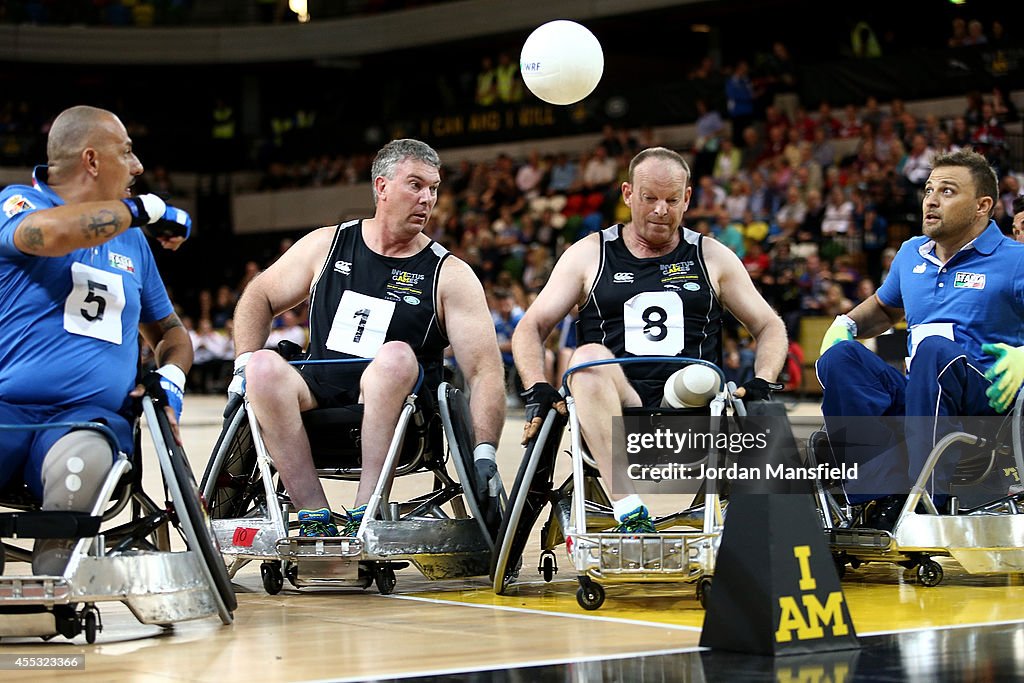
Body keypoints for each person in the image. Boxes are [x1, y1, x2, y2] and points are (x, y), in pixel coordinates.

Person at [231, 139, 505, 538]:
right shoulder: (327, 245)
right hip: (318, 398)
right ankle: (313, 513)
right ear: (381, 187)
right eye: (415, 185)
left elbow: (483, 370)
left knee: (394, 356)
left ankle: (367, 509)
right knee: (262, 366)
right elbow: (259, 295)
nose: (427, 199)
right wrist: (242, 364)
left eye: (433, 188)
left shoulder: (450, 274)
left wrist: (484, 452)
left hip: (403, 411)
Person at [511, 147, 788, 533]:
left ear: (687, 198)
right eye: (649, 198)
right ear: (627, 194)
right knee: (586, 357)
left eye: (672, 200)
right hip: (618, 406)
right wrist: (537, 386)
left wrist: (762, 381)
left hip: (692, 413)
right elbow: (532, 325)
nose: (661, 210)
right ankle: (630, 511)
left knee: (700, 377)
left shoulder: (712, 256)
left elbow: (769, 325)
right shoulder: (590, 253)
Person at [0, 105, 192, 574]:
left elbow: (171, 333)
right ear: (91, 161)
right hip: (7, 410)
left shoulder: (133, 243)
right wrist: (146, 209)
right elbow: (49, 235)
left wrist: (170, 377)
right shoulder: (19, 203)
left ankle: (55, 580)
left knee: (83, 459)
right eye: (126, 152)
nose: (138, 167)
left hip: (86, 421)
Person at [817, 149, 1024, 530]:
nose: (931, 199)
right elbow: (883, 309)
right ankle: (878, 500)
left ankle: (929, 501)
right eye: (929, 190)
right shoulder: (911, 253)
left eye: (947, 191)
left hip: (986, 404)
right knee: (841, 359)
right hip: (921, 397)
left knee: (933, 352)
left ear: (982, 206)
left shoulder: (1016, 259)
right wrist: (845, 323)